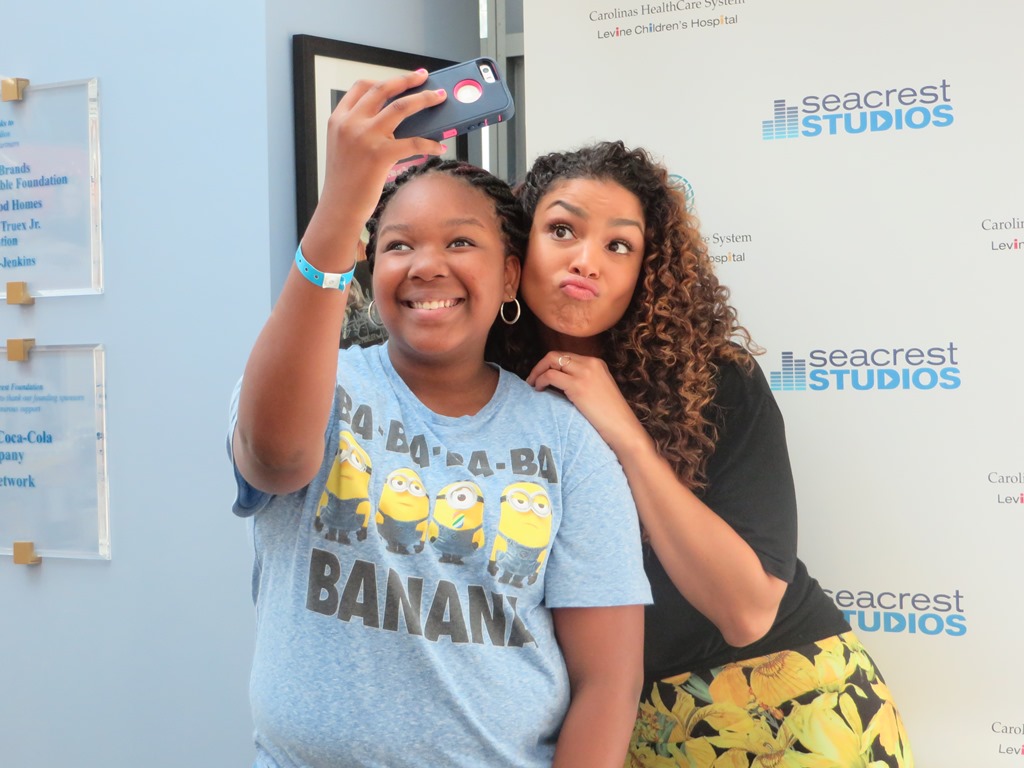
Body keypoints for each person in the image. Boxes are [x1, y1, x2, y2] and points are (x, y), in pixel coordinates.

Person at [228, 74, 650, 768]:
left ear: (510, 277)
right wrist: (343, 202)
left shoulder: (565, 441)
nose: (427, 265)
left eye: (460, 243)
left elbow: (609, 681)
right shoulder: (317, 386)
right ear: (367, 266)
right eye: (398, 245)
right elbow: (274, 459)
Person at [492, 140, 914, 767]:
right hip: (616, 725)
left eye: (619, 245)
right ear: (519, 248)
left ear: (647, 268)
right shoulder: (484, 387)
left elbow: (746, 611)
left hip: (782, 703)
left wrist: (625, 435)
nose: (587, 261)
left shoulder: (716, 380)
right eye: (561, 230)